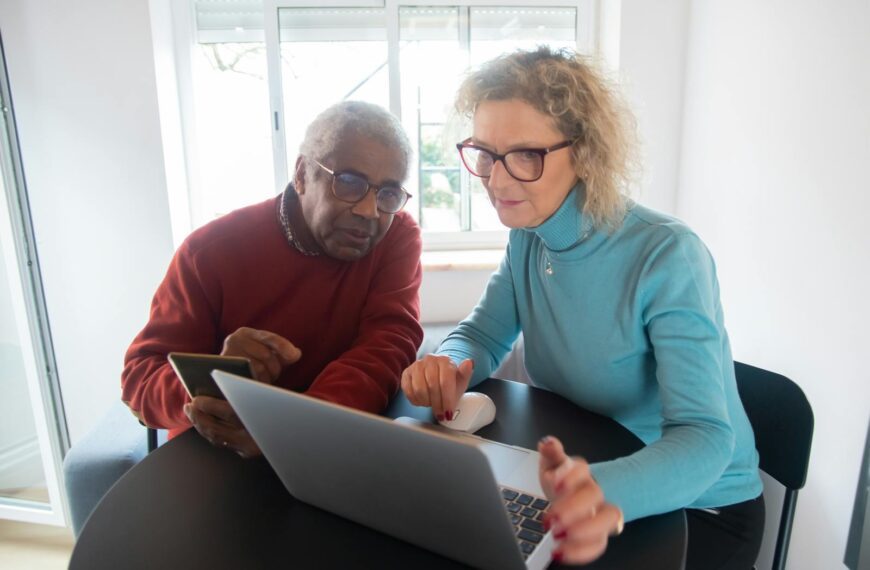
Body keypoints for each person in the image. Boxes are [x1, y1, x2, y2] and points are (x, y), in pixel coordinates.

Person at [401, 47, 764, 569]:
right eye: (484, 153)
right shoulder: (529, 235)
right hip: (584, 476)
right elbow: (482, 335)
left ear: (586, 152)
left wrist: (601, 490)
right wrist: (447, 364)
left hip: (698, 508)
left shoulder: (667, 255)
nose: (497, 182)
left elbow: (705, 438)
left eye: (526, 155)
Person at [122, 101, 423, 458]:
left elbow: (388, 343)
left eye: (388, 192)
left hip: (326, 437)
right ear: (301, 174)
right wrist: (212, 381)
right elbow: (139, 380)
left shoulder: (396, 235)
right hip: (219, 456)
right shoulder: (211, 252)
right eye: (348, 183)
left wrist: (293, 429)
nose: (368, 211)